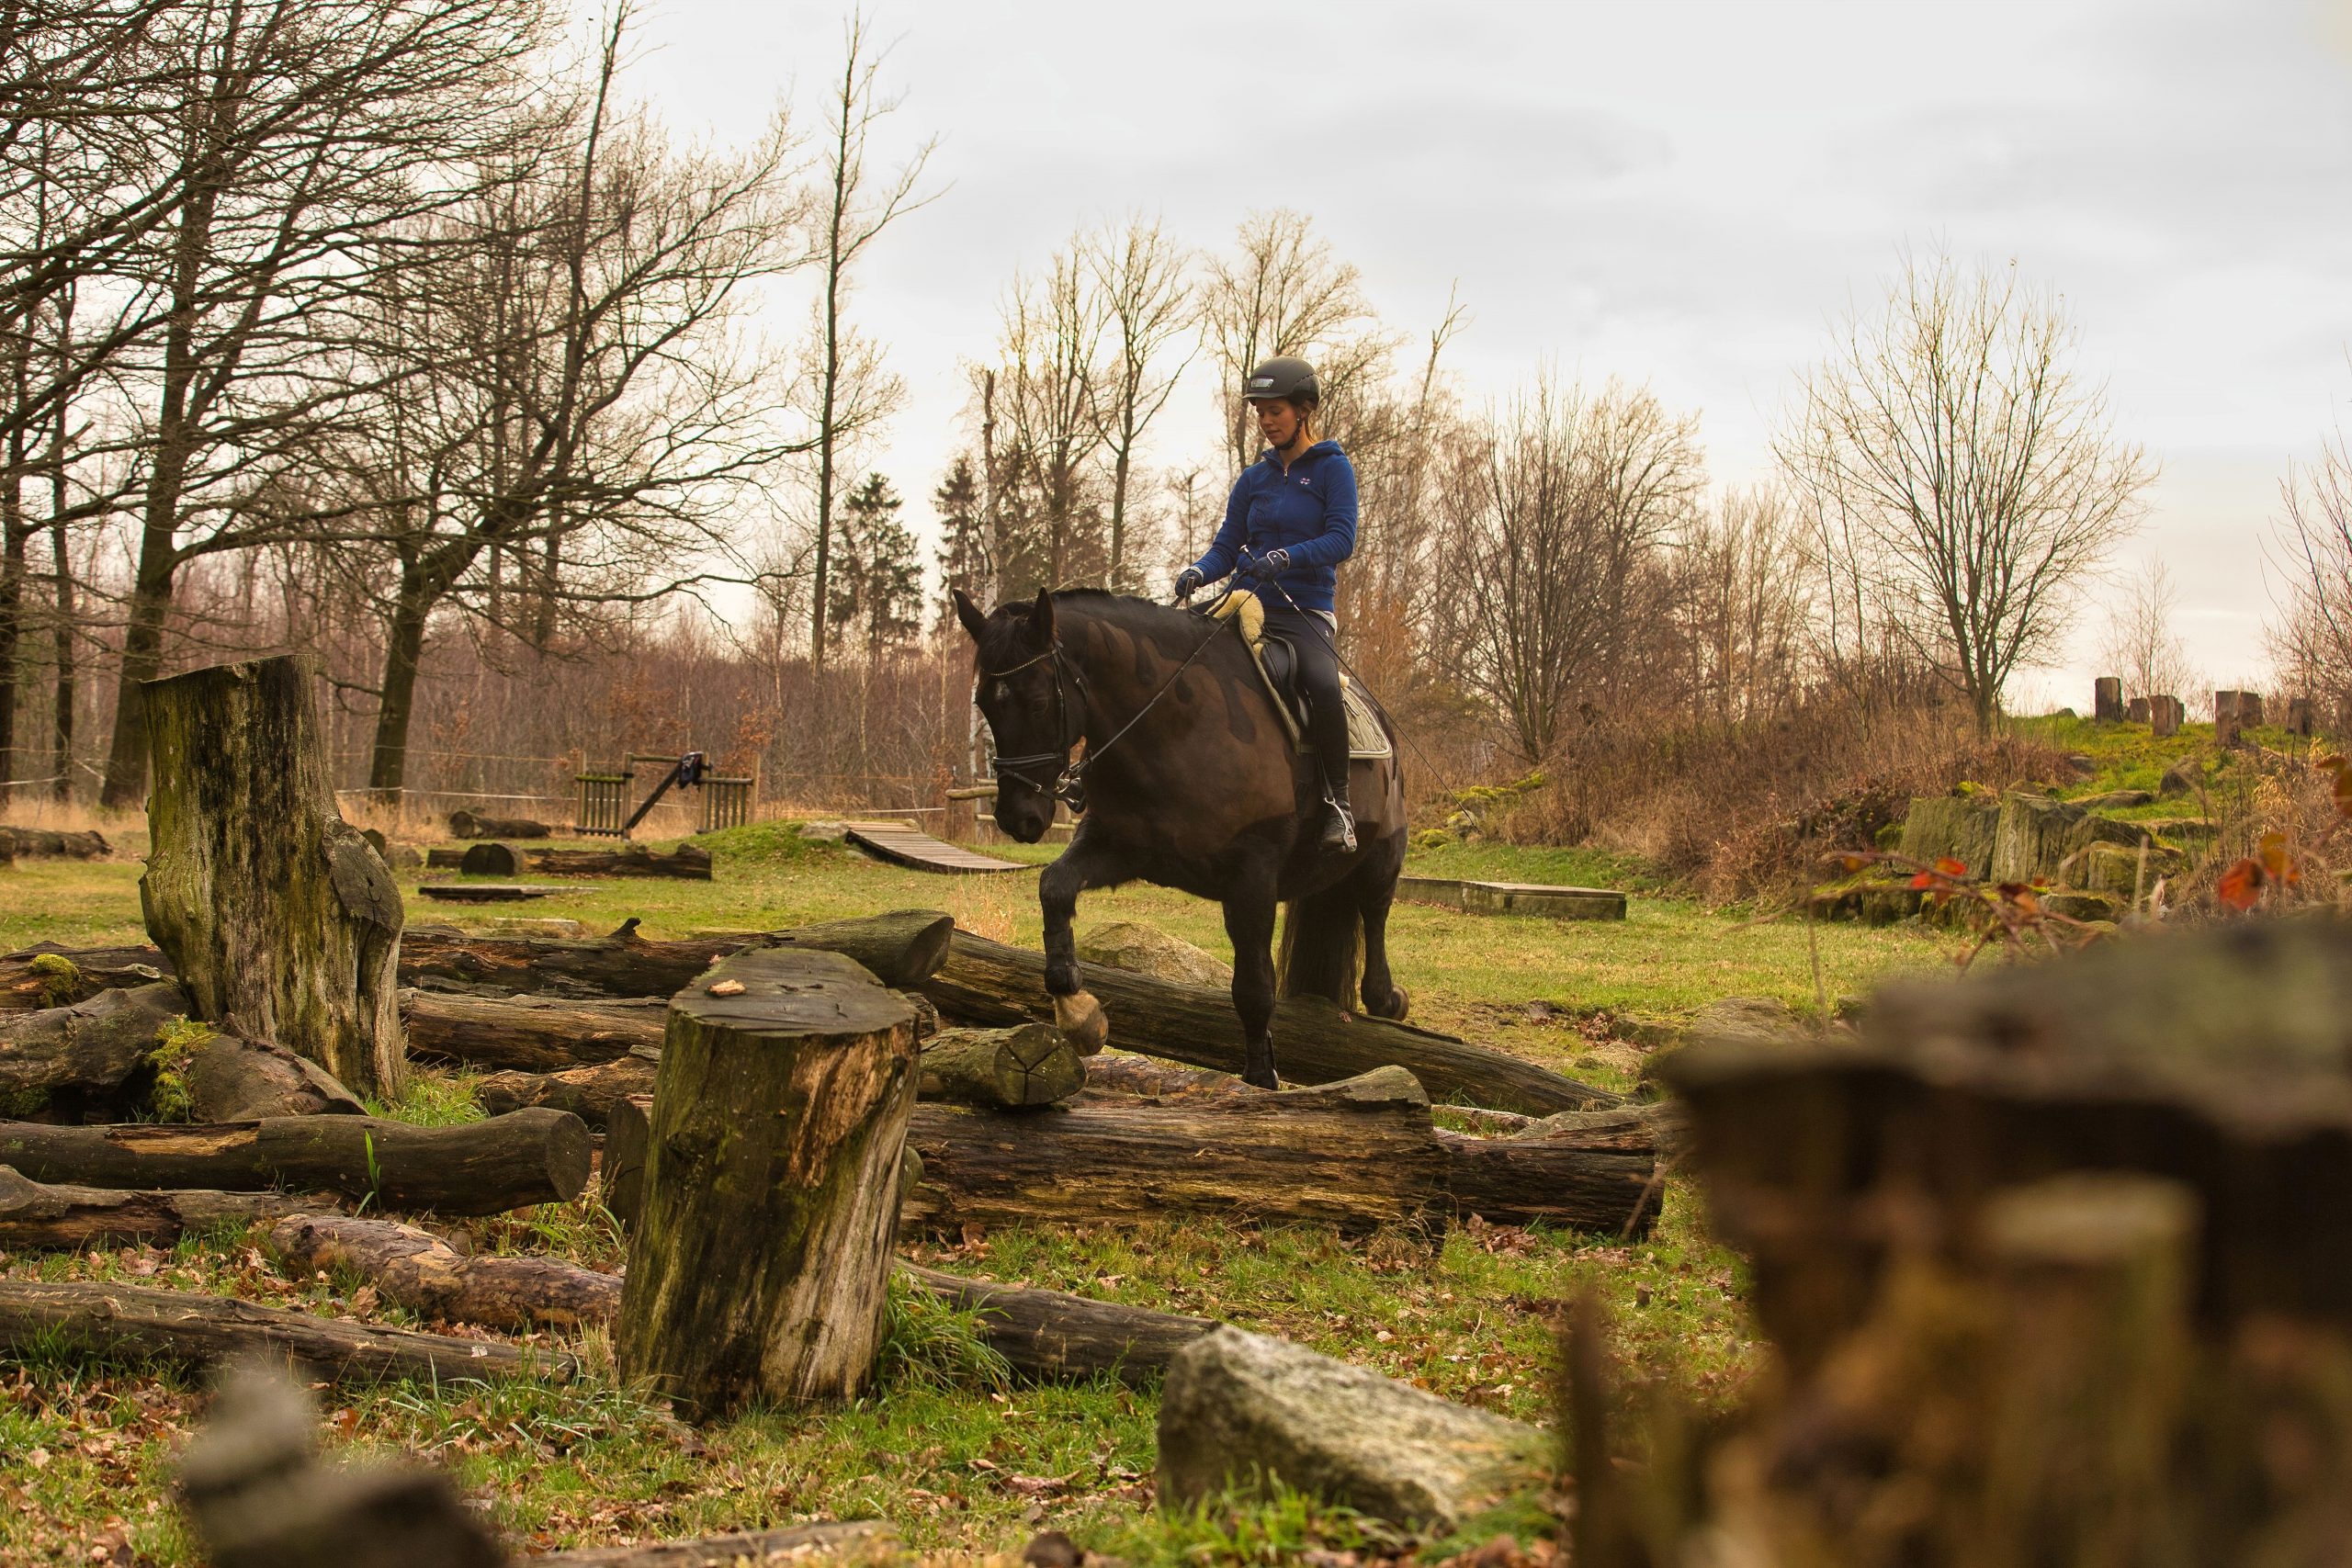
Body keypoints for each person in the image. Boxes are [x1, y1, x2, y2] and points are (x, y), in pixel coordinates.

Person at [1174, 355, 1360, 853]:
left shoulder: (1332, 470)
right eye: (1260, 412)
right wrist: (1199, 571)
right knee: (1174, 655)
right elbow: (1226, 547)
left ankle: (1338, 805)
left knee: (1321, 684)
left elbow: (1342, 539)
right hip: (1247, 603)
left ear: (1304, 411)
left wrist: (1286, 557)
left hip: (1304, 610)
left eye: (1274, 410)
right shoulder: (1252, 480)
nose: (1266, 420)